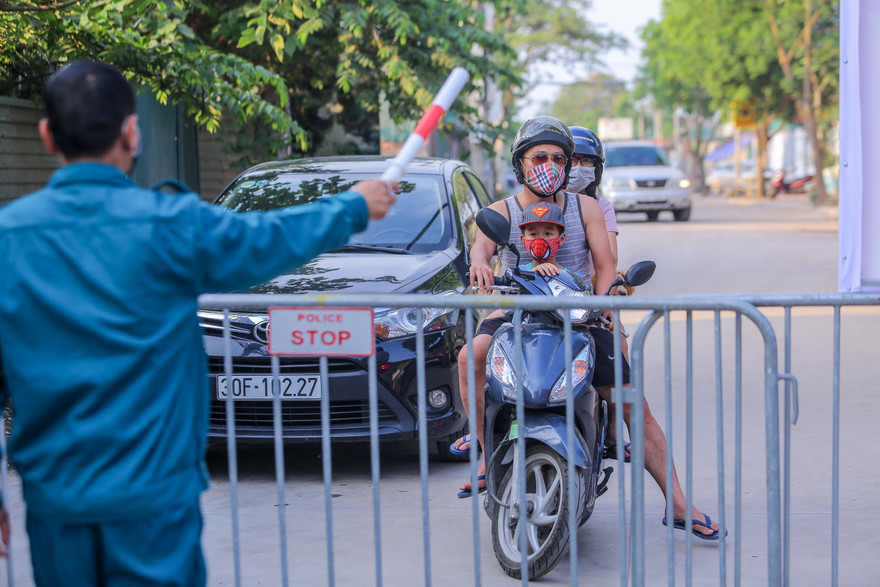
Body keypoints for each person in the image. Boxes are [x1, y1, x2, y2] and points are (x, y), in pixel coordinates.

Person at [0, 61, 397, 585]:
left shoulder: (9, 238)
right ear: (131, 131)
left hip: (55, 500)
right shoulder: (170, 225)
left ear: (47, 135)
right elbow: (268, 237)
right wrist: (352, 208)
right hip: (154, 497)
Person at [454, 116, 724, 540]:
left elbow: (603, 266)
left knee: (635, 404)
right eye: (540, 156)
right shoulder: (501, 211)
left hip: (578, 315)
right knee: (470, 356)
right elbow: (481, 248)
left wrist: (603, 306)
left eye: (558, 157)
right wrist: (479, 264)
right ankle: (487, 453)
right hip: (516, 312)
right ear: (520, 163)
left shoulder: (586, 208)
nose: (551, 164)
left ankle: (677, 503)